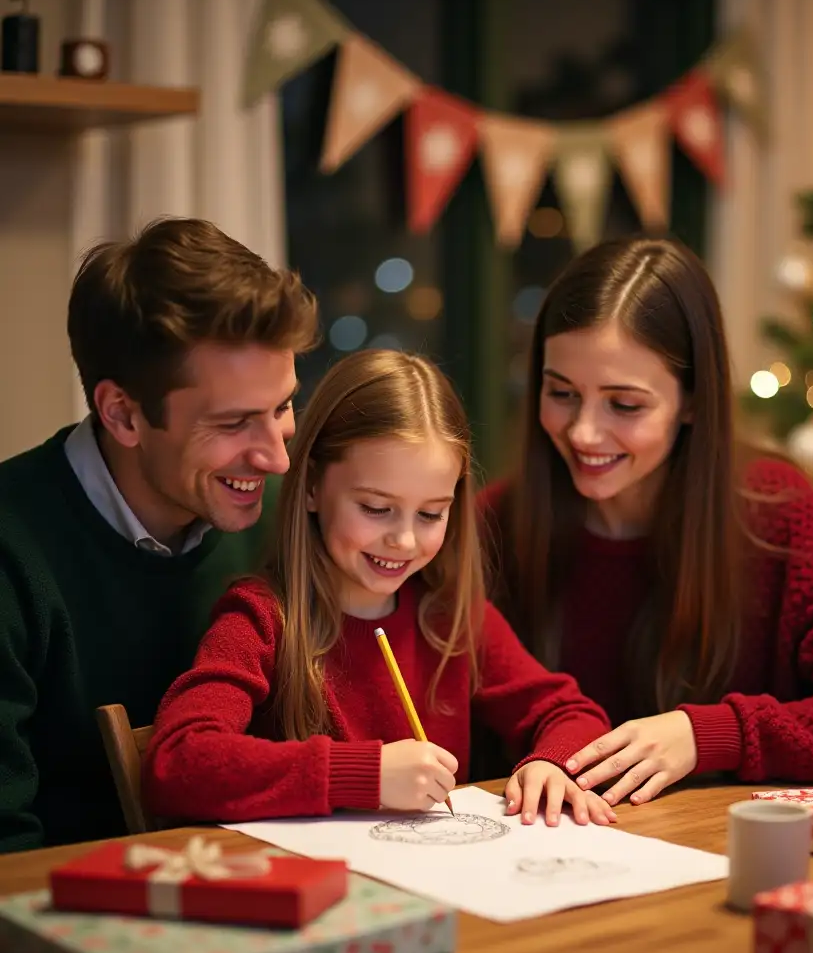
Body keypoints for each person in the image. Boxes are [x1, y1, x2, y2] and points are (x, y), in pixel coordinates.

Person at [478, 236, 813, 807]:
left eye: (625, 405)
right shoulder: (490, 525)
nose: (583, 433)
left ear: (692, 401)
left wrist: (711, 734)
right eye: (561, 393)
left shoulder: (776, 516)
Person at [143, 350, 616, 828]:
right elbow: (176, 764)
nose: (405, 539)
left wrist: (551, 763)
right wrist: (363, 775)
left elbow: (572, 714)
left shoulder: (450, 619)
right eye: (375, 508)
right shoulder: (262, 619)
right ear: (310, 487)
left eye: (431, 513)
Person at [0, 218, 319, 852]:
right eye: (233, 423)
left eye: (281, 408)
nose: (277, 458)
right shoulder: (14, 552)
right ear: (123, 413)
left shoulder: (292, 519)